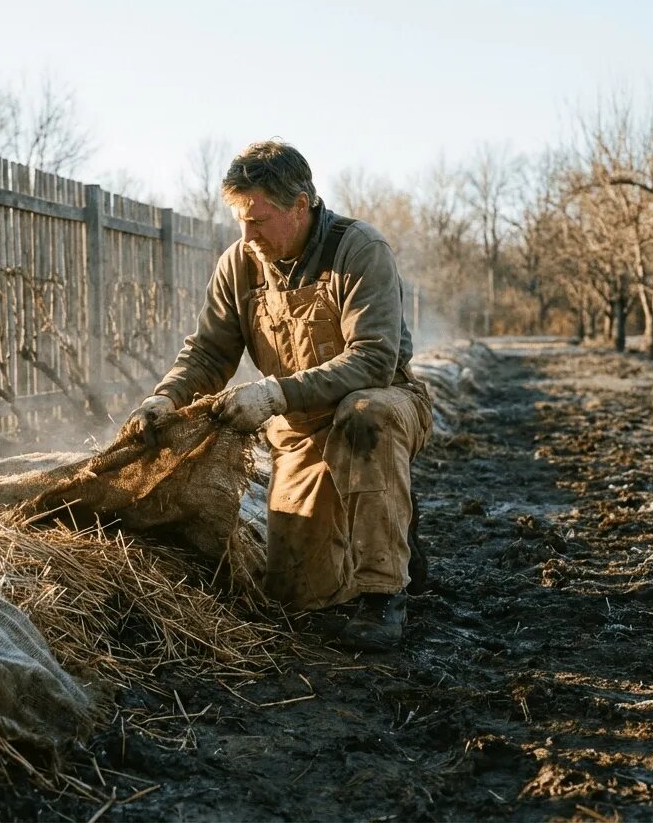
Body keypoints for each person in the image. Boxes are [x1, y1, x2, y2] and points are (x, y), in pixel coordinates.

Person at [127, 140, 433, 651]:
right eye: (240, 221)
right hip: (298, 429)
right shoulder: (240, 265)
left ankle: (385, 596)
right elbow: (208, 354)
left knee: (365, 416)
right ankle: (393, 530)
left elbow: (374, 360)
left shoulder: (359, 249)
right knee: (297, 598)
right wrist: (166, 398)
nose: (247, 235)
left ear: (300, 206)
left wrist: (273, 394)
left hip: (384, 405)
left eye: (259, 220)